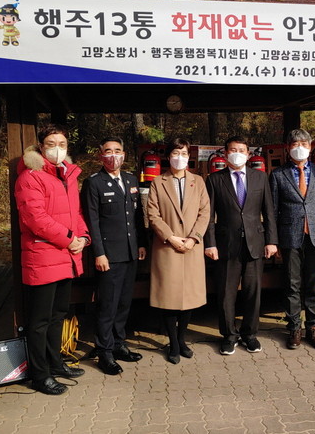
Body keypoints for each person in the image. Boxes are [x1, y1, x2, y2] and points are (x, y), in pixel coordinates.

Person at [14, 124, 89, 395]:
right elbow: (35, 219)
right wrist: (69, 239)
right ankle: (40, 375)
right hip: (43, 257)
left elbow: (75, 213)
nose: (57, 148)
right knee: (39, 321)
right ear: (41, 146)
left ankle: (55, 363)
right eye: (51, 143)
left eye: (62, 144)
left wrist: (83, 237)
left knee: (58, 315)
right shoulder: (30, 177)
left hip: (66, 257)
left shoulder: (67, 175)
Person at [204, 136, 278, 355]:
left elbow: (269, 212)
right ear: (226, 154)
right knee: (226, 293)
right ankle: (229, 335)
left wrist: (272, 240)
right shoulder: (215, 179)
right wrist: (210, 244)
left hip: (255, 243)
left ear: (248, 154)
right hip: (226, 244)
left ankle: (250, 335)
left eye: (241, 150)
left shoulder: (260, 177)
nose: (237, 153)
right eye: (233, 150)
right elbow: (209, 216)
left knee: (253, 292)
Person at [81, 136, 147, 375]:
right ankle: (104, 351)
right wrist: (99, 253)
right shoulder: (94, 183)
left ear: (124, 154)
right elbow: (92, 221)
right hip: (109, 255)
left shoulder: (130, 179)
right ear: (101, 155)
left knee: (124, 303)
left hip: (130, 252)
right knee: (107, 305)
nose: (113, 155)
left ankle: (119, 344)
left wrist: (141, 244)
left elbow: (137, 216)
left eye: (117, 150)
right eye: (108, 151)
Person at [146, 138, 211, 364]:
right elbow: (153, 214)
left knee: (189, 298)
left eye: (184, 153)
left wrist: (193, 238)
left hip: (191, 247)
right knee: (169, 298)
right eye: (175, 153)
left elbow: (205, 212)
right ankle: (173, 343)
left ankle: (182, 339)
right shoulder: (158, 182)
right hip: (168, 247)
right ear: (168, 156)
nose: (179, 157)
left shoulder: (198, 181)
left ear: (189, 156)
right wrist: (171, 237)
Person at [269, 129, 315, 351]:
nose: (299, 148)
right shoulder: (278, 174)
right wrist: (273, 240)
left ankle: (313, 327)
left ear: (310, 147)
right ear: (287, 148)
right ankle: (294, 327)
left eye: (304, 143)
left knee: (313, 285)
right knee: (292, 284)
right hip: (289, 236)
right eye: (295, 144)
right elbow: (273, 210)